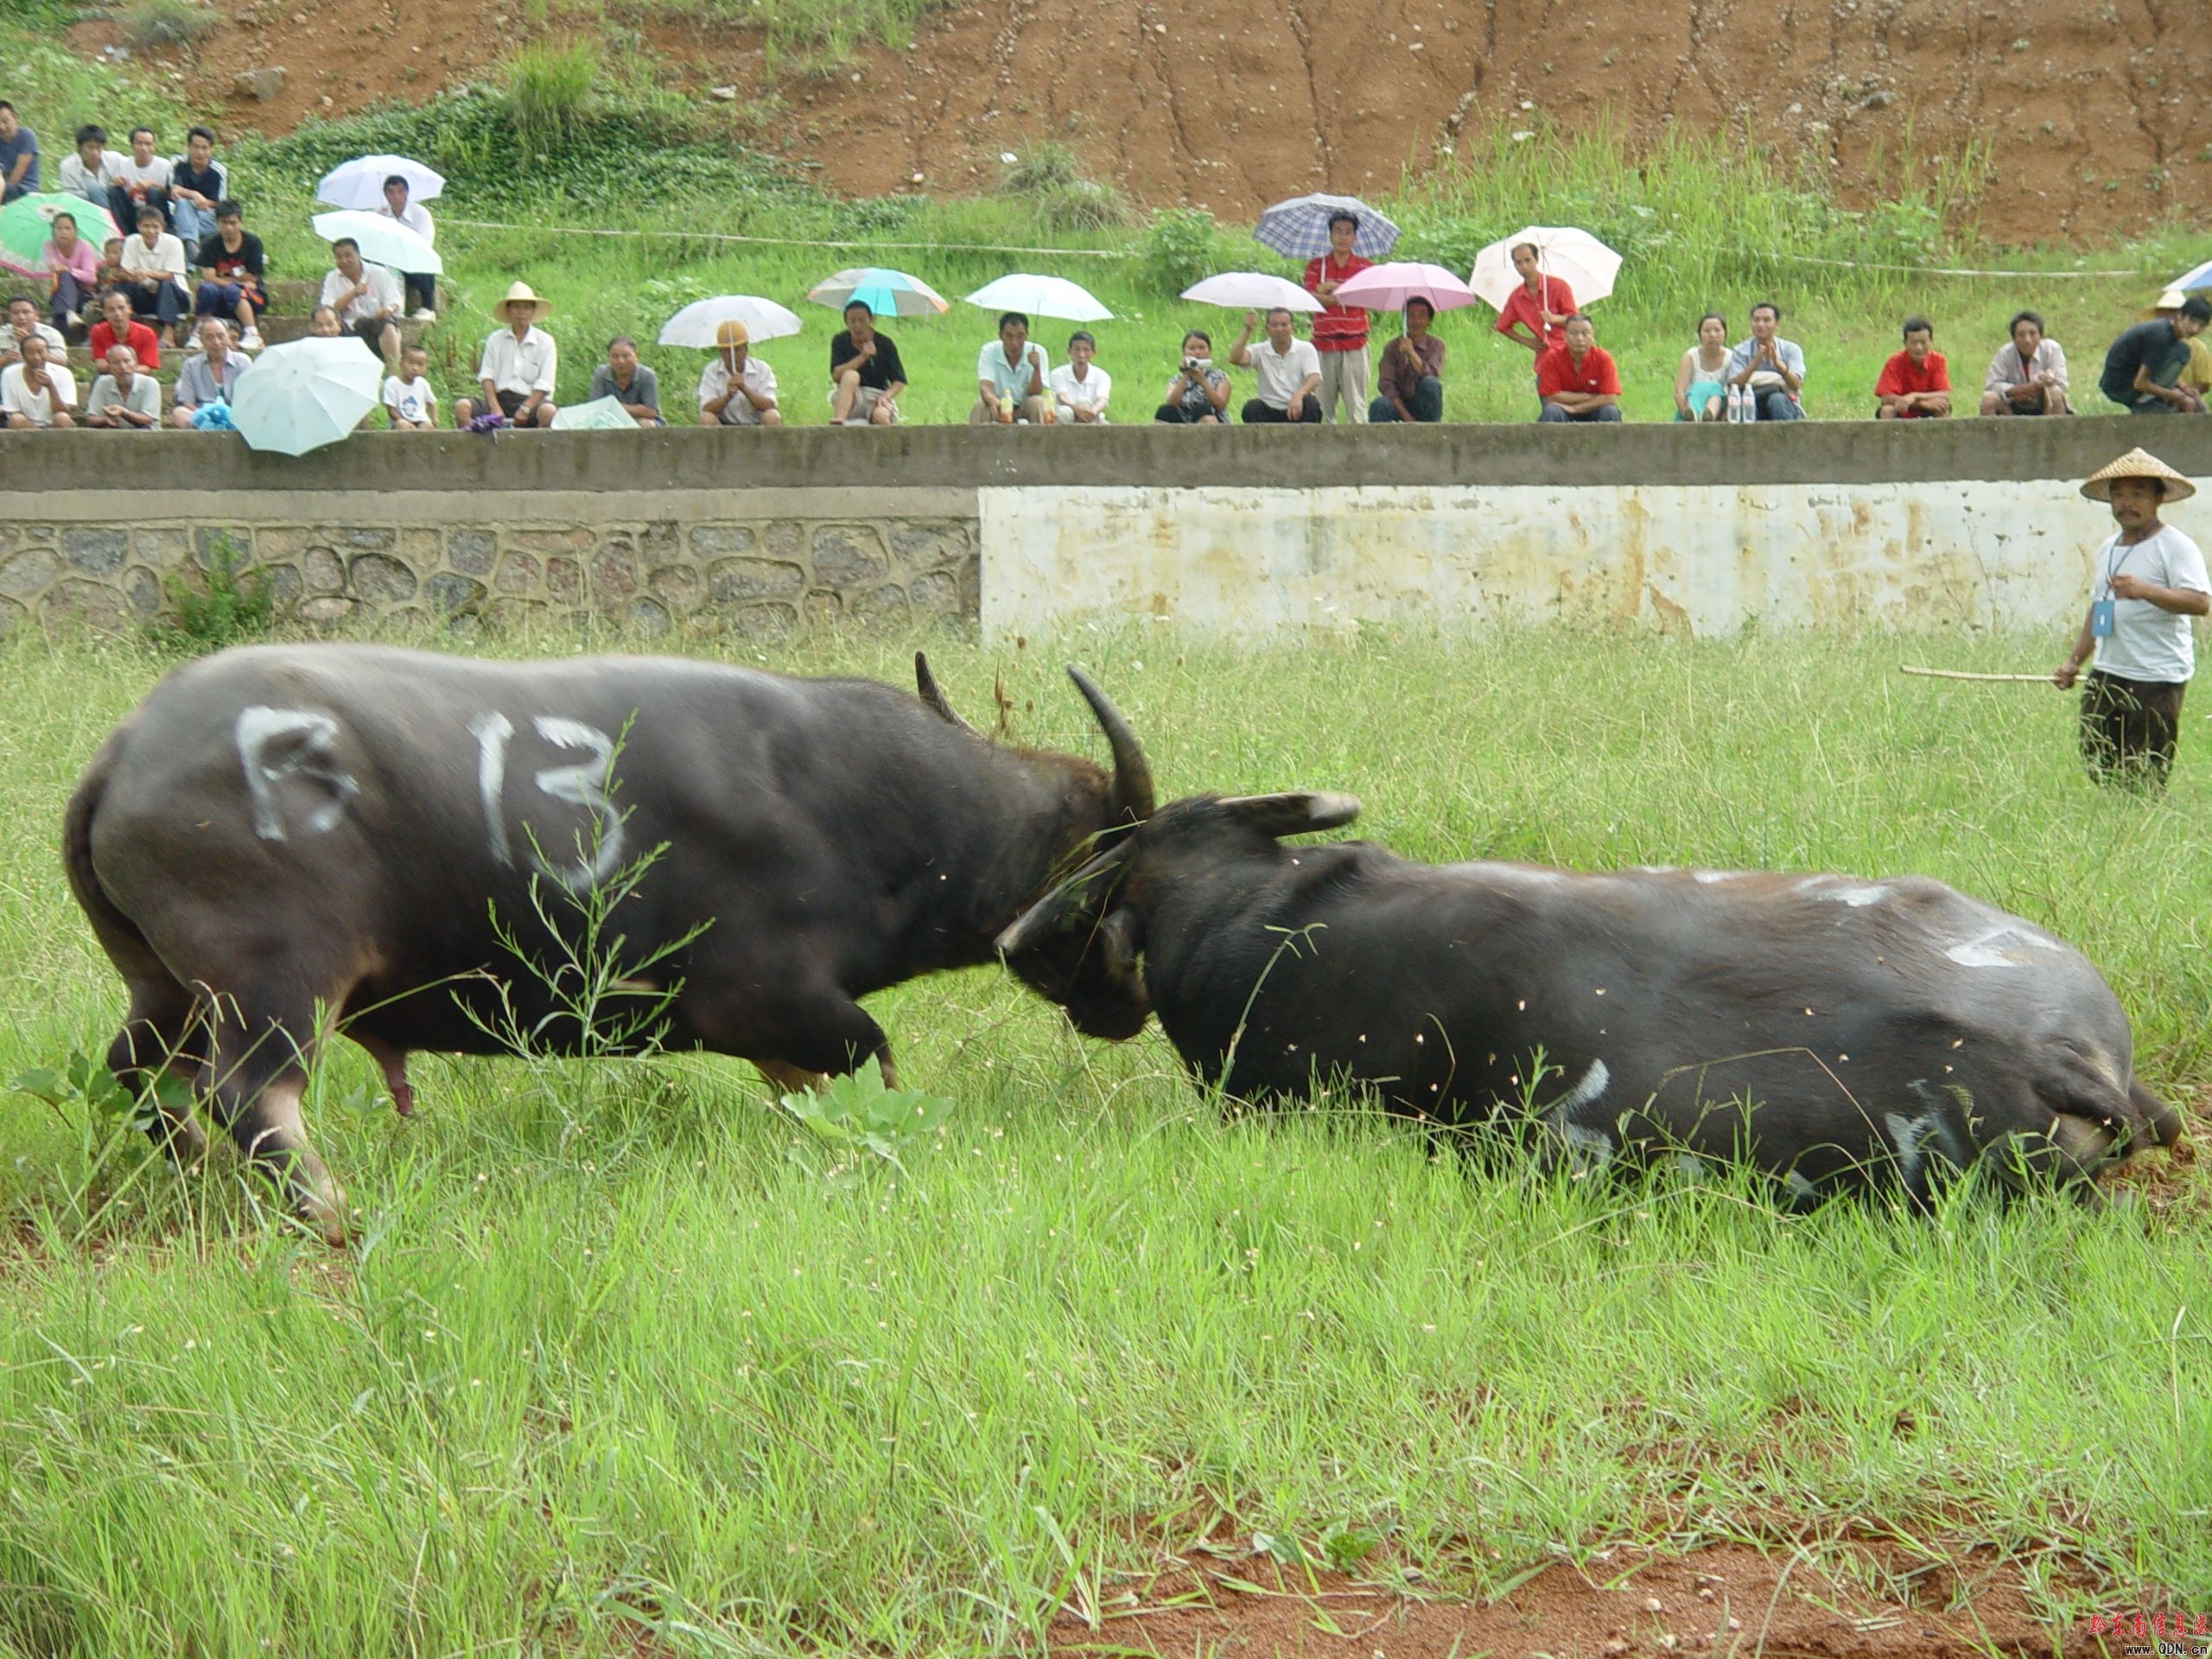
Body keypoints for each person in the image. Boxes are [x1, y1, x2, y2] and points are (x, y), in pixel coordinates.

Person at [2053, 448, 2210, 789]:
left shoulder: (2176, 547)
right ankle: (2114, 818)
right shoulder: (2109, 547)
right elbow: (2101, 610)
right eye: (2119, 494)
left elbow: (2199, 602)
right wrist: (2074, 661)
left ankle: (2141, 820)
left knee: (2146, 770)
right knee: (2097, 758)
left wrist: (2145, 590)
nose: (2128, 503)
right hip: (2109, 672)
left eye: (2138, 493)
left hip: (2156, 676)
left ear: (2158, 498)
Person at [454, 281, 557, 428]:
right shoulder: (495, 339)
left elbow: (544, 384)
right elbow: (487, 377)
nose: (521, 312)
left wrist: (526, 408)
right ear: (509, 310)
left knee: (548, 411)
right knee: (462, 407)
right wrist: (495, 407)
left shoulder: (545, 342)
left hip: (531, 401)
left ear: (533, 311)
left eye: (526, 308)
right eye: (516, 307)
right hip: (500, 399)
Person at [1304, 209, 1373, 423]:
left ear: (1354, 237)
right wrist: (1343, 293)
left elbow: (1366, 297)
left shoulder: (1365, 267)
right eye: (1338, 231)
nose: (1343, 237)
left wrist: (1329, 290)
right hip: (1323, 344)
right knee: (1322, 409)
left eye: (1348, 232)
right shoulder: (1316, 266)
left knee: (1356, 408)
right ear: (1330, 234)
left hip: (1355, 343)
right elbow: (1309, 299)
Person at [2100, 297, 2209, 414]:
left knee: (2183, 350)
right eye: (2191, 321)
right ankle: (2144, 404)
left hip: (2134, 383)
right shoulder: (2160, 337)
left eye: (2201, 325)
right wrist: (2176, 396)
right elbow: (2140, 383)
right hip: (2119, 387)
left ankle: (2153, 400)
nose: (2194, 329)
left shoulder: (2173, 340)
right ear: (2180, 315)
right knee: (2182, 353)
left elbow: (2158, 372)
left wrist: (2183, 389)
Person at [319, 237, 403, 371]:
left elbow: (395, 300)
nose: (344, 261)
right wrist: (353, 293)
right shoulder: (332, 278)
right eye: (339, 257)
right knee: (327, 327)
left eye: (348, 256)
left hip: (375, 321)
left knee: (387, 324)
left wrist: (388, 309)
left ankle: (394, 372)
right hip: (347, 327)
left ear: (359, 255)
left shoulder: (378, 273)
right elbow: (328, 309)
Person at [193, 200, 266, 350]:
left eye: (233, 223)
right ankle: (199, 332)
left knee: (233, 290)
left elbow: (252, 278)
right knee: (207, 289)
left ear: (240, 222)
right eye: (224, 223)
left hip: (252, 296)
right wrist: (237, 280)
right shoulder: (210, 244)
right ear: (217, 223)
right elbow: (208, 277)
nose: (229, 227)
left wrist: (223, 279)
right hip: (221, 294)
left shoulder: (252, 243)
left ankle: (252, 333)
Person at [1230, 307, 1322, 424]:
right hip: (1270, 408)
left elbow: (1314, 378)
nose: (1279, 329)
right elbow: (1235, 359)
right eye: (1274, 325)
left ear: (1292, 328)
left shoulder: (1305, 348)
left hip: (1296, 407)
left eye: (1284, 325)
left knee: (1311, 403)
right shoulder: (1260, 350)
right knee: (1252, 408)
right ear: (1267, 329)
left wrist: (1299, 395)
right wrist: (1247, 330)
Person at [118, 205, 188, 345]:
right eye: (146, 226)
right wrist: (133, 275)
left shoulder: (174, 243)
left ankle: (169, 334)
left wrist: (146, 273)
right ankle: (120, 331)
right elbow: (124, 272)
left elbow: (169, 276)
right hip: (146, 295)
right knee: (121, 287)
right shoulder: (132, 241)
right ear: (138, 226)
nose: (151, 231)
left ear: (162, 227)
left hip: (175, 297)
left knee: (166, 285)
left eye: (155, 226)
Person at [1368, 297, 1445, 423]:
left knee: (1430, 384)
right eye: (1411, 316)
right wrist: (1406, 417)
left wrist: (1411, 353)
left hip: (1424, 404)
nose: (1416, 321)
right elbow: (1386, 385)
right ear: (1404, 320)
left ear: (1429, 321)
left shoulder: (1436, 345)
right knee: (1379, 405)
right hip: (1399, 405)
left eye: (1422, 316)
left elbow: (1432, 375)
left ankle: (1431, 435)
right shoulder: (1392, 347)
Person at [1726, 302, 1807, 420]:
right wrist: (1754, 363)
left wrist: (1779, 364)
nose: (1761, 324)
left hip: (1783, 403)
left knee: (1776, 400)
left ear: (1776, 324)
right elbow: (1735, 386)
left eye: (1766, 320)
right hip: (1751, 400)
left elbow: (1796, 384)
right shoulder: (1740, 351)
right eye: (1756, 320)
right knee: (1748, 402)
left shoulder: (1791, 349)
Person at [1535, 314, 1623, 423]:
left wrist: (1575, 408)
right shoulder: (1552, 358)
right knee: (1551, 412)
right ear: (1565, 336)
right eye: (1574, 333)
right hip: (1563, 411)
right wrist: (1593, 397)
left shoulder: (1603, 359)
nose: (1580, 338)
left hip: (1594, 410)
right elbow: (1551, 397)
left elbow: (1610, 398)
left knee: (1610, 412)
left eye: (1585, 333)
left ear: (1592, 336)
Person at [1980, 310, 2069, 416]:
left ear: (2041, 336)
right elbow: (1991, 385)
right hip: (2012, 407)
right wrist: (2022, 389)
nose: (2027, 340)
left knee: (2055, 392)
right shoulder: (2005, 353)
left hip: (2044, 405)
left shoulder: (2052, 349)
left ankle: (2053, 432)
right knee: (1988, 399)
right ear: (2014, 338)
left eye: (2032, 333)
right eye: (2021, 335)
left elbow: (2062, 383)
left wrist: (2046, 382)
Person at [830, 300, 905, 425]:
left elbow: (899, 381)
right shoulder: (840, 340)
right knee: (851, 375)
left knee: (880, 416)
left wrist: (886, 396)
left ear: (871, 320)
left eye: (861, 320)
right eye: (852, 321)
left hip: (877, 395)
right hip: (851, 395)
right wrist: (863, 357)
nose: (857, 326)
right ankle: (839, 420)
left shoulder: (885, 343)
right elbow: (836, 375)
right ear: (846, 322)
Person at [374, 175, 438, 319]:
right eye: (391, 192)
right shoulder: (381, 214)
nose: (396, 196)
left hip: (412, 261)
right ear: (385, 195)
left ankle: (427, 308)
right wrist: (378, 221)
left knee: (427, 264)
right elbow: (375, 243)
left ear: (407, 193)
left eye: (400, 191)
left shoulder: (421, 214)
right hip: (388, 261)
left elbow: (425, 244)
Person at [1494, 241, 1574, 357]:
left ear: (1536, 259)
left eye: (1528, 260)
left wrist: (1554, 319)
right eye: (1518, 263)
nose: (1524, 266)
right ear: (1515, 266)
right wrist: (1527, 341)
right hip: (1545, 356)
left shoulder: (1558, 286)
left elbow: (1576, 321)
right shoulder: (1517, 297)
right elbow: (1502, 326)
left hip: (1568, 351)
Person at [697, 318, 781, 427]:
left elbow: (769, 405)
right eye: (727, 351)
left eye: (737, 350)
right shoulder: (712, 371)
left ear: (746, 349)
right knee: (705, 418)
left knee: (772, 416)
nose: (733, 356)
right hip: (722, 427)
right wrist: (728, 396)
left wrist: (744, 388)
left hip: (757, 424)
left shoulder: (762, 369)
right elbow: (706, 408)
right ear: (721, 352)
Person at [971, 310, 1048, 424]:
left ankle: (1040, 440)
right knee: (980, 406)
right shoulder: (989, 351)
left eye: (1020, 336)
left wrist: (1036, 368)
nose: (1014, 343)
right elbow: (985, 387)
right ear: (1000, 336)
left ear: (1027, 335)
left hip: (1023, 406)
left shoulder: (1038, 352)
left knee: (1038, 402)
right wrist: (997, 403)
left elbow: (1035, 392)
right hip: (998, 404)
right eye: (1009, 336)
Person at [168, 318, 247, 427]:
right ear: (201, 340)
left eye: (221, 336)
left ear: (228, 337)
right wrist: (206, 415)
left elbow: (249, 398)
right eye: (210, 338)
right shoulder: (191, 365)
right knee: (179, 413)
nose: (216, 342)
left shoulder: (243, 362)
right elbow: (188, 402)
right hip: (203, 416)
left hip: (235, 415)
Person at [1873, 315, 1950, 419]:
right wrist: (1920, 403)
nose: (1919, 347)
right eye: (1914, 343)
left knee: (1942, 407)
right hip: (1902, 409)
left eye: (1923, 342)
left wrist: (1914, 396)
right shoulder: (1894, 362)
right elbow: (1886, 397)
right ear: (1905, 343)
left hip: (1927, 409)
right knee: (1887, 410)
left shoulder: (1938, 360)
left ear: (1931, 341)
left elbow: (1944, 394)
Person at [168, 125, 227, 250]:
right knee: (183, 204)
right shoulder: (178, 163)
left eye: (204, 148)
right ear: (189, 147)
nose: (200, 152)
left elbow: (220, 203)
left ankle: (189, 248)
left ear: (211, 149)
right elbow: (175, 190)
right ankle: (192, 249)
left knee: (184, 223)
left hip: (205, 216)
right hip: (178, 212)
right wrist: (194, 195)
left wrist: (201, 203)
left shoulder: (218, 171)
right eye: (196, 147)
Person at [39, 213, 98, 338]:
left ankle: (62, 323)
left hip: (83, 294)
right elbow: (51, 267)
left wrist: (69, 270)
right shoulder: (49, 245)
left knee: (65, 275)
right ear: (53, 231)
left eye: (67, 228)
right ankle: (69, 315)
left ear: (75, 231)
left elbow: (91, 277)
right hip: (58, 291)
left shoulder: (84, 246)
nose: (63, 232)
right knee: (62, 279)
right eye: (59, 228)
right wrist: (56, 268)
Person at [1154, 329, 1231, 423]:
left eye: (1202, 348)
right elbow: (1171, 403)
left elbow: (1220, 405)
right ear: (1184, 352)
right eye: (1192, 348)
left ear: (1209, 351)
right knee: (1164, 411)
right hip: (1183, 421)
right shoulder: (1176, 379)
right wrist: (1186, 374)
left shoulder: (1220, 377)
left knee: (1202, 408)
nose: (1197, 352)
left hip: (1210, 419)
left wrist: (1202, 381)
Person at [107, 126, 174, 234]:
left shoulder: (164, 165)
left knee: (153, 191)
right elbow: (116, 191)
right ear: (132, 145)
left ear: (154, 146)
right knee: (113, 191)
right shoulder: (123, 164)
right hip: (133, 211)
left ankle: (157, 232)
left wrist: (153, 185)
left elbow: (171, 195)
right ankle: (122, 234)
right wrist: (116, 183)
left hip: (156, 211)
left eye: (148, 144)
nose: (144, 148)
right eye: (139, 143)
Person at [1, 333, 73, 427]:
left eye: (40, 352)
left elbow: (64, 410)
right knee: (16, 419)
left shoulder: (63, 373)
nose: (36, 357)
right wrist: (33, 428)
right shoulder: (9, 373)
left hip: (53, 423)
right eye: (30, 353)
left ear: (48, 353)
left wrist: (50, 387)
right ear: (22, 355)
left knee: (63, 418)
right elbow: (13, 411)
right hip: (25, 424)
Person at [589, 334, 662, 427]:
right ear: (608, 357)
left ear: (636, 356)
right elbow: (596, 407)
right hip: (609, 420)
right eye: (615, 356)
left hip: (642, 421)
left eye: (626, 356)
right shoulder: (601, 374)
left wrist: (613, 406)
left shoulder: (647, 375)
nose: (621, 361)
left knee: (647, 424)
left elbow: (650, 411)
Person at [83, 343, 160, 429]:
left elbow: (148, 420)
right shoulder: (103, 382)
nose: (123, 367)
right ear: (109, 367)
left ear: (136, 363)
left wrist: (123, 412)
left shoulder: (150, 383)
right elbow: (91, 418)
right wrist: (105, 420)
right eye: (116, 363)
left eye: (127, 361)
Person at [87, 288, 161, 372]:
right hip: (109, 375)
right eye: (111, 310)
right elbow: (100, 364)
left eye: (121, 308)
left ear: (130, 309)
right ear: (104, 313)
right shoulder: (98, 331)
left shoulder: (147, 333)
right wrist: (123, 370)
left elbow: (146, 368)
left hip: (138, 376)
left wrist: (122, 370)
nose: (117, 314)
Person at [1675, 312, 1730, 421]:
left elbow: (1733, 391)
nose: (1712, 335)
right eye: (1707, 331)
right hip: (1689, 406)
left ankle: (1707, 417)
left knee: (1716, 391)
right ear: (1699, 334)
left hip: (1720, 409)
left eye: (1717, 330)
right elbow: (1679, 392)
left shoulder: (1731, 357)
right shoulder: (1690, 356)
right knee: (1699, 388)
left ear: (1724, 333)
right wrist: (1685, 411)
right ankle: (1694, 417)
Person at [1048, 330, 1110, 424]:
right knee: (1065, 411)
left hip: (1091, 417)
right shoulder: (1057, 374)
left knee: (1083, 402)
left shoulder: (1102, 376)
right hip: (1065, 418)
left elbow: (1102, 400)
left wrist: (1093, 411)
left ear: (1093, 353)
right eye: (1077, 349)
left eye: (1086, 350)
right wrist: (1077, 410)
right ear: (1069, 351)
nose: (1081, 355)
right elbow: (1062, 397)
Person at [58, 124, 121, 208]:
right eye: (90, 148)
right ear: (80, 147)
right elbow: (70, 197)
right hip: (83, 207)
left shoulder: (115, 159)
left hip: (111, 204)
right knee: (89, 191)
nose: (95, 153)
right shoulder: (68, 166)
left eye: (98, 148)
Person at [0, 292, 67, 368]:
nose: (21, 317)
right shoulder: (1, 334)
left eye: (26, 312)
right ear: (9, 316)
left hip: (43, 376)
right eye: (16, 313)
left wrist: (30, 343)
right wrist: (4, 359)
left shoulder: (51, 334)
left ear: (36, 315)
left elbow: (62, 363)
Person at [383, 343, 438, 430]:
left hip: (420, 420)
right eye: (411, 363)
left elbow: (431, 402)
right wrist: (403, 420)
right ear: (401, 362)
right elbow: (391, 410)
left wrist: (434, 419)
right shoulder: (392, 383)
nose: (415, 368)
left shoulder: (423, 383)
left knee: (428, 426)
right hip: (400, 420)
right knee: (403, 425)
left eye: (420, 365)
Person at [0, 101, 40, 203]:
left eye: (5, 121)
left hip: (26, 190)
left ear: (15, 118)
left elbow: (17, 175)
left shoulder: (26, 136)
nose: (2, 127)